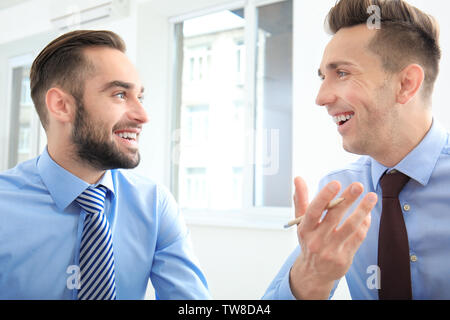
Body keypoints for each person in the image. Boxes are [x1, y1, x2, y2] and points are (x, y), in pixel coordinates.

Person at [0, 30, 210, 300]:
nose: (142, 115)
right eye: (120, 94)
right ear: (61, 105)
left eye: (140, 97)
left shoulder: (154, 205)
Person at [263, 0, 450, 300]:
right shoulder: (339, 193)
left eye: (342, 73)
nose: (321, 98)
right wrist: (309, 281)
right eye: (323, 77)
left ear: (406, 84)